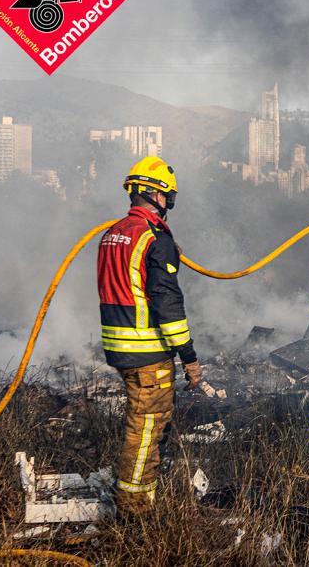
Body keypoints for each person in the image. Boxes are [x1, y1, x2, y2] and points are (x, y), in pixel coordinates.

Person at [97, 156, 202, 515]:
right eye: (168, 197)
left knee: (146, 425)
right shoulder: (152, 238)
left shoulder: (115, 232)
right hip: (147, 351)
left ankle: (144, 495)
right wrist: (188, 356)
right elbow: (167, 303)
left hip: (119, 345)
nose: (169, 205)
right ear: (157, 195)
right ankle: (134, 512)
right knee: (145, 430)